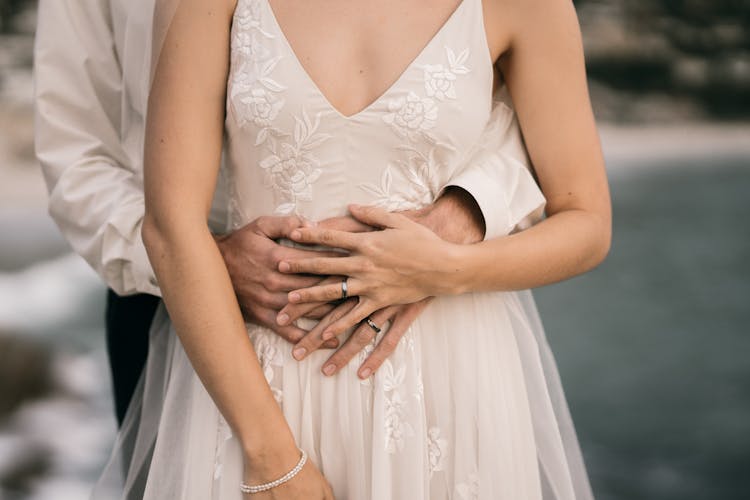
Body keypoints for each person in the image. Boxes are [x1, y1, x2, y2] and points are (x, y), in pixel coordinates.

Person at [87, 0, 610, 498]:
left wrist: (446, 268)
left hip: (449, 376)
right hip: (254, 377)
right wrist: (270, 453)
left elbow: (585, 221)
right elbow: (170, 226)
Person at [33, 0, 503, 426]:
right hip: (162, 303)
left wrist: (465, 211)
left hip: (425, 308)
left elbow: (526, 108)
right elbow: (74, 150)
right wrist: (201, 259)